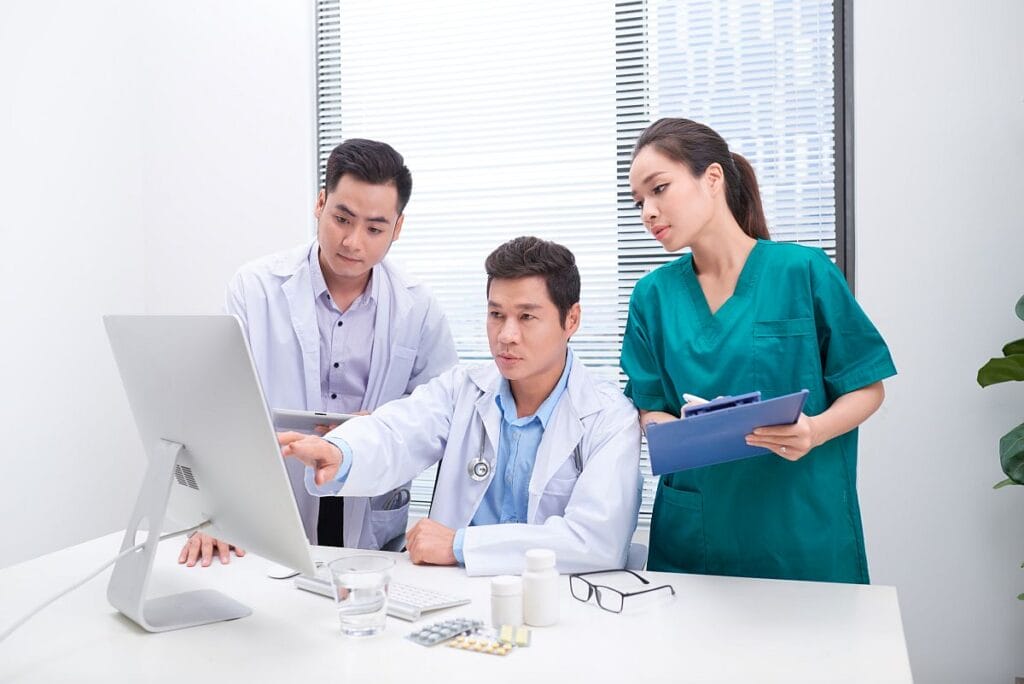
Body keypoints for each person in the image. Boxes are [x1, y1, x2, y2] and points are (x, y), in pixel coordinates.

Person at [621, 118, 896, 584]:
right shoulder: (652, 296)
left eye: (659, 189)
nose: (648, 211)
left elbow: (867, 387)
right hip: (697, 535)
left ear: (711, 179)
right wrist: (679, 430)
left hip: (801, 530)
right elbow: (650, 409)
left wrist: (814, 429)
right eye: (639, 202)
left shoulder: (801, 271)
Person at [280, 236, 643, 576]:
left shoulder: (609, 417)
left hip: (554, 601)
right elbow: (398, 430)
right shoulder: (463, 389)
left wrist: (460, 544)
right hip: (455, 594)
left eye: (527, 317)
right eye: (497, 314)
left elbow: (598, 540)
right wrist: (340, 451)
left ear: (572, 320)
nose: (506, 335)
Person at [179, 138, 457, 567]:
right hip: (272, 494)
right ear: (320, 203)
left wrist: (380, 428)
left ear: (398, 228)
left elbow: (438, 416)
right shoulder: (255, 288)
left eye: (375, 228)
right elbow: (218, 408)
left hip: (367, 508)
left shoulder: (418, 307)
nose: (352, 241)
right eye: (342, 218)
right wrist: (212, 516)